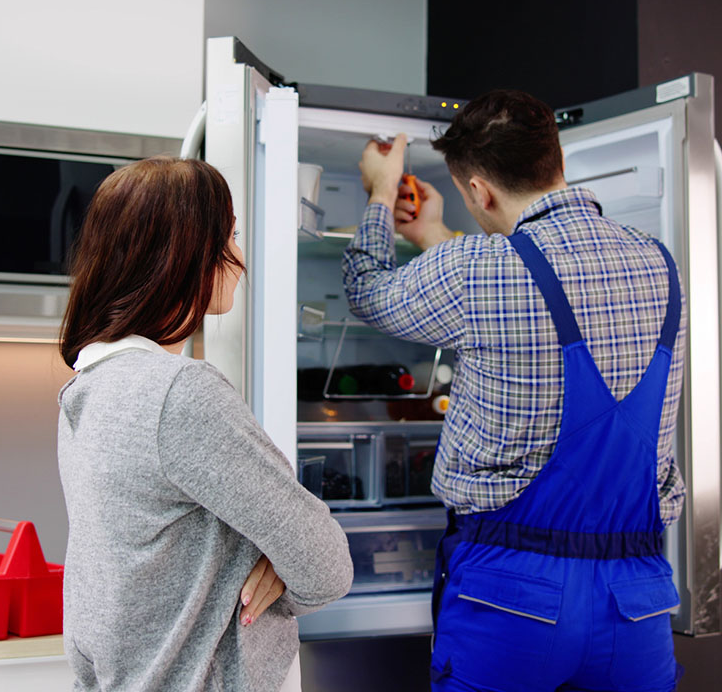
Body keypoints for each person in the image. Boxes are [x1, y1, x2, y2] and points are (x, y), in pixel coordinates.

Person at [343, 90, 686, 692]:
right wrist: (434, 234)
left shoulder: (476, 268)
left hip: (511, 599)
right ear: (554, 159)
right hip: (636, 604)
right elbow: (536, 295)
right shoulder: (661, 263)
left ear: (479, 191)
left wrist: (379, 189)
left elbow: (367, 288)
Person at [58, 156, 353, 692]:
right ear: (183, 254)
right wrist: (280, 569)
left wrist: (270, 560)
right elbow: (327, 565)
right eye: (229, 236)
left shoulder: (88, 387)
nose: (238, 257)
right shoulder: (178, 393)